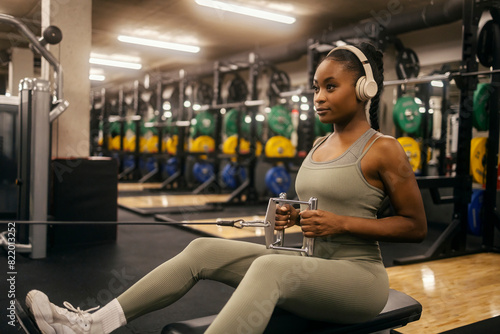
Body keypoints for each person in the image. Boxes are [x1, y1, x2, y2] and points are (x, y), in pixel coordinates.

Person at [25, 42, 427, 334]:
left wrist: (340, 224)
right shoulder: (320, 143)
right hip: (309, 264)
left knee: (269, 267)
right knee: (203, 249)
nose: (318, 97)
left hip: (358, 279)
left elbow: (414, 227)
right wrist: (293, 216)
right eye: (316, 87)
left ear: (363, 91)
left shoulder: (384, 149)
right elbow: (319, 211)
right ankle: (93, 324)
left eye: (330, 87)